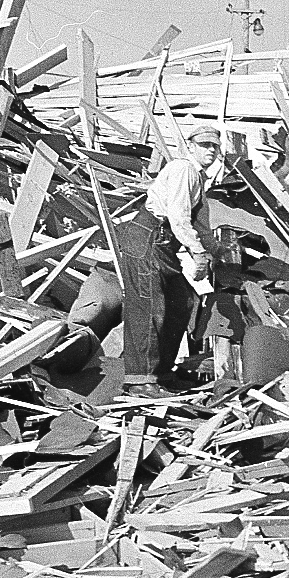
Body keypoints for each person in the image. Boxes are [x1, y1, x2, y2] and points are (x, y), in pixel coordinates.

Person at [113, 137, 214, 392]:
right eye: (204, 145)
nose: (211, 150)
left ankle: (162, 373)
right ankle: (140, 380)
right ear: (191, 147)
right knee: (148, 307)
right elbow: (179, 217)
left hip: (164, 243)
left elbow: (198, 222)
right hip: (149, 238)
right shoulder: (184, 169)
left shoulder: (199, 177)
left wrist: (216, 249)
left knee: (182, 303)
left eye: (215, 146)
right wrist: (198, 252)